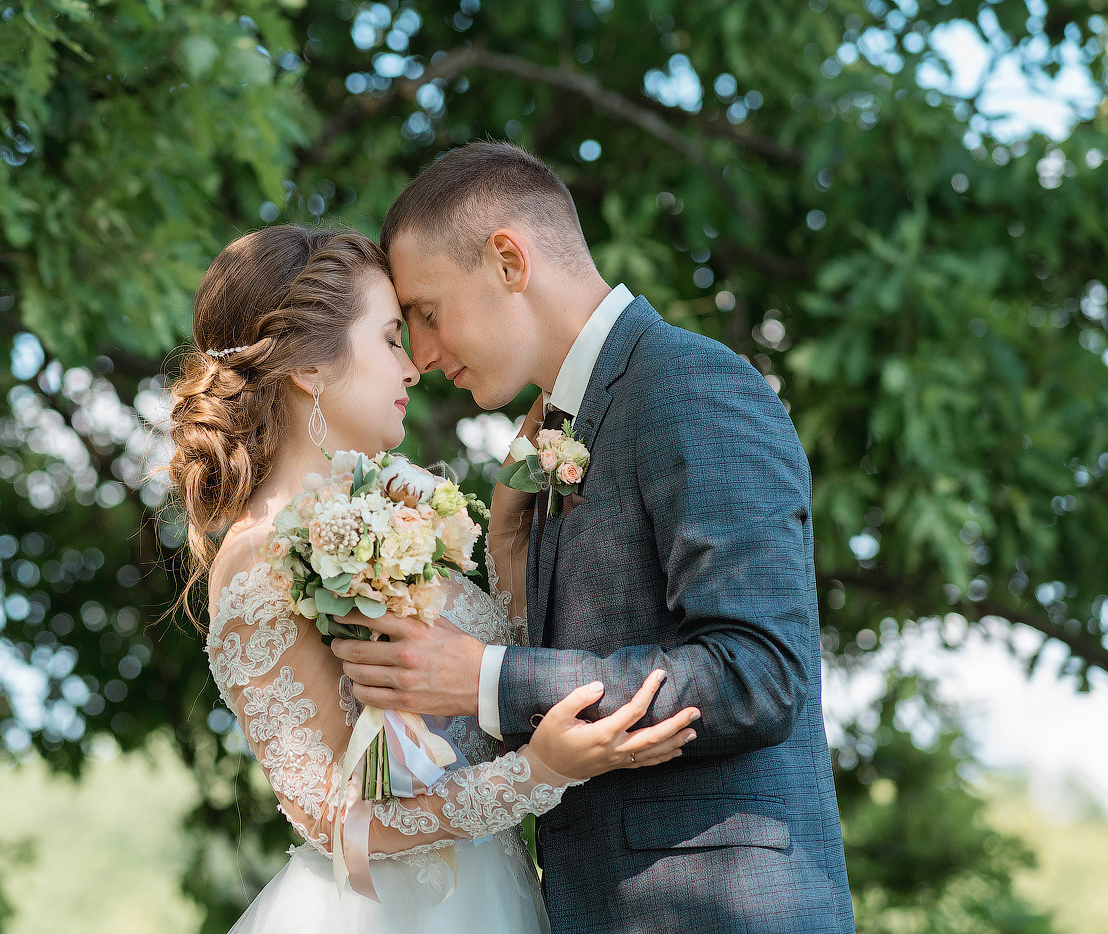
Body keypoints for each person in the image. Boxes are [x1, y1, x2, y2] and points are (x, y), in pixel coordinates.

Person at [332, 142, 856, 933]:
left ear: (509, 260)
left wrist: (487, 679)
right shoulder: (556, 435)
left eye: (428, 314)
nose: (425, 356)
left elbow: (760, 672)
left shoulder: (690, 385)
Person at [166, 224, 701, 933]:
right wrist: (537, 773)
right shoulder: (260, 559)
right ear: (310, 368)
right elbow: (333, 819)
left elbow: (472, 689)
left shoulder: (385, 511)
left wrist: (508, 538)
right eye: (390, 338)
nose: (414, 366)